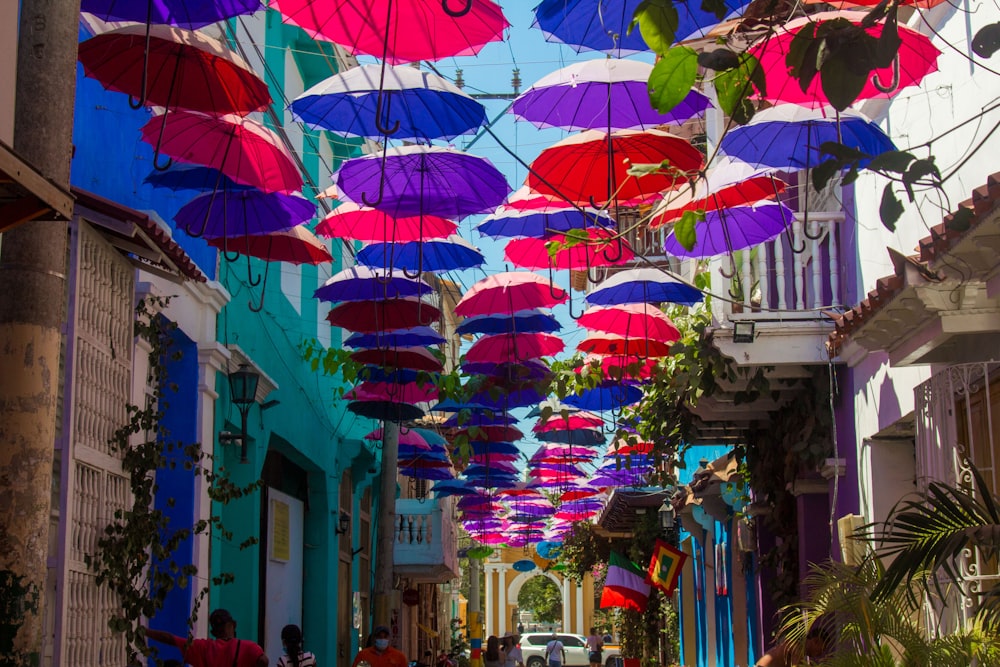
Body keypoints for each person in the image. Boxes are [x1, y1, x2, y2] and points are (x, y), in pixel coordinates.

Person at [144, 608, 268, 667]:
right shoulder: (248, 647)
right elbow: (264, 660)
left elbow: (169, 638)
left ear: (214, 633)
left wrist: (144, 631)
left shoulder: (203, 647)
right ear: (233, 625)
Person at [755, 627, 832, 666]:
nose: (821, 653)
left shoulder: (798, 647)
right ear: (816, 641)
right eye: (822, 648)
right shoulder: (797, 648)